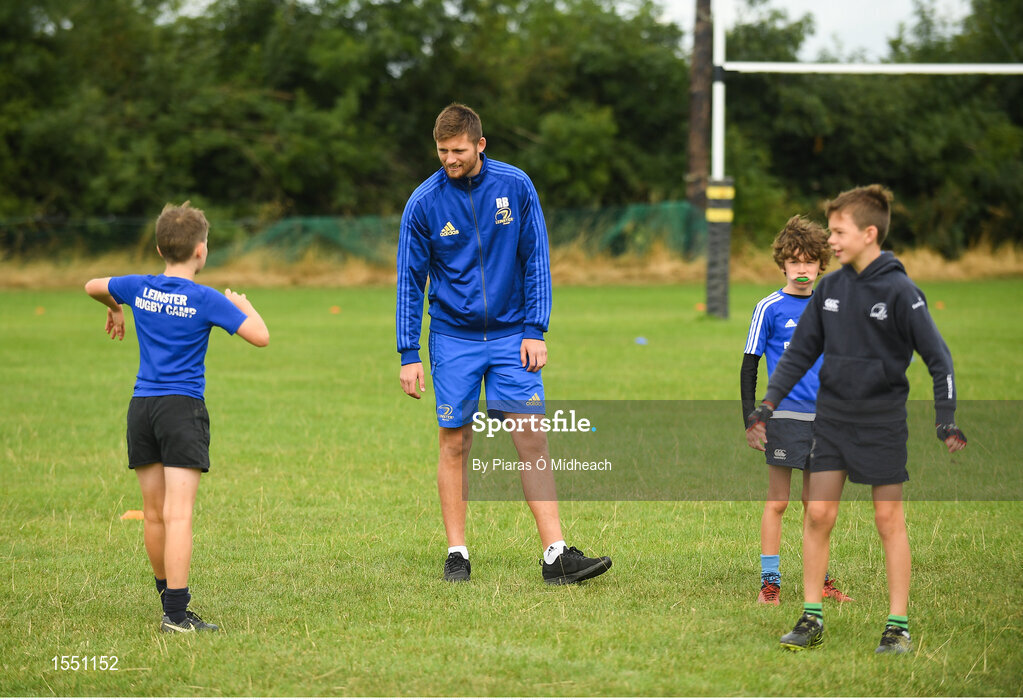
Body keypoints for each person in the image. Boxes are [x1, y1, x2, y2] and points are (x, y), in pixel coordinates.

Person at [395, 103, 611, 585]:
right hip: (453, 339)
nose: (449, 159)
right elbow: (410, 281)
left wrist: (536, 329)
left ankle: (556, 555)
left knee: (531, 438)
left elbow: (536, 258)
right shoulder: (423, 202)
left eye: (458, 151)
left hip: (514, 336)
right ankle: (457, 553)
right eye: (442, 151)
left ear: (480, 145)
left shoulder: (516, 186)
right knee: (455, 441)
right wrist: (408, 354)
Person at [746, 185, 967, 654]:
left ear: (869, 234)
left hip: (882, 423)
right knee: (819, 513)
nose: (832, 240)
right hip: (830, 421)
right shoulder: (830, 288)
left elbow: (939, 359)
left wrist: (945, 419)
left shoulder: (901, 291)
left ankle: (897, 626)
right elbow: (799, 353)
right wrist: (767, 403)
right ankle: (810, 618)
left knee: (888, 518)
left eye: (839, 231)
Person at [85, 201, 269, 633]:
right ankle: (176, 615)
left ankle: (166, 598)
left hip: (142, 408)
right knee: (179, 513)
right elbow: (260, 337)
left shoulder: (137, 286)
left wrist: (114, 306)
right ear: (201, 251)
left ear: (158, 248)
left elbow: (93, 284)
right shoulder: (206, 299)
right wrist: (244, 304)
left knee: (153, 513)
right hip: (182, 410)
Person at [742, 216, 851, 606]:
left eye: (809, 261)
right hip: (784, 419)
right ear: (783, 264)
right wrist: (750, 419)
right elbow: (750, 364)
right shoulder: (769, 307)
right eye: (794, 261)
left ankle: (820, 581)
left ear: (822, 264)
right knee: (778, 502)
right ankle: (769, 583)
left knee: (815, 507)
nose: (802, 269)